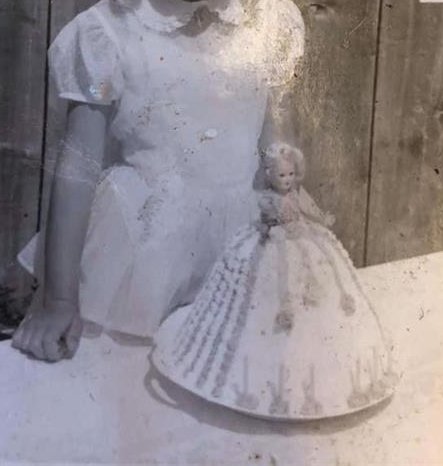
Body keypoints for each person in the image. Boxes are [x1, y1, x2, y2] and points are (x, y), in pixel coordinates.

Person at [12, 0, 305, 362]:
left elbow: (275, 137)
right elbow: (76, 176)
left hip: (240, 246)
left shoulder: (273, 21)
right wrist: (56, 297)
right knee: (127, 382)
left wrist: (285, 201)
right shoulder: (107, 33)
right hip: (139, 253)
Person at [152, 142, 398, 420]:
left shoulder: (298, 193)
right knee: (270, 282)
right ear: (270, 175)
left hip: (302, 238)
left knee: (319, 277)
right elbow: (266, 216)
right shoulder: (267, 198)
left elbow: (310, 208)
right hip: (274, 240)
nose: (288, 180)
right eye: (282, 176)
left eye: (291, 174)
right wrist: (272, 225)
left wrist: (321, 217)